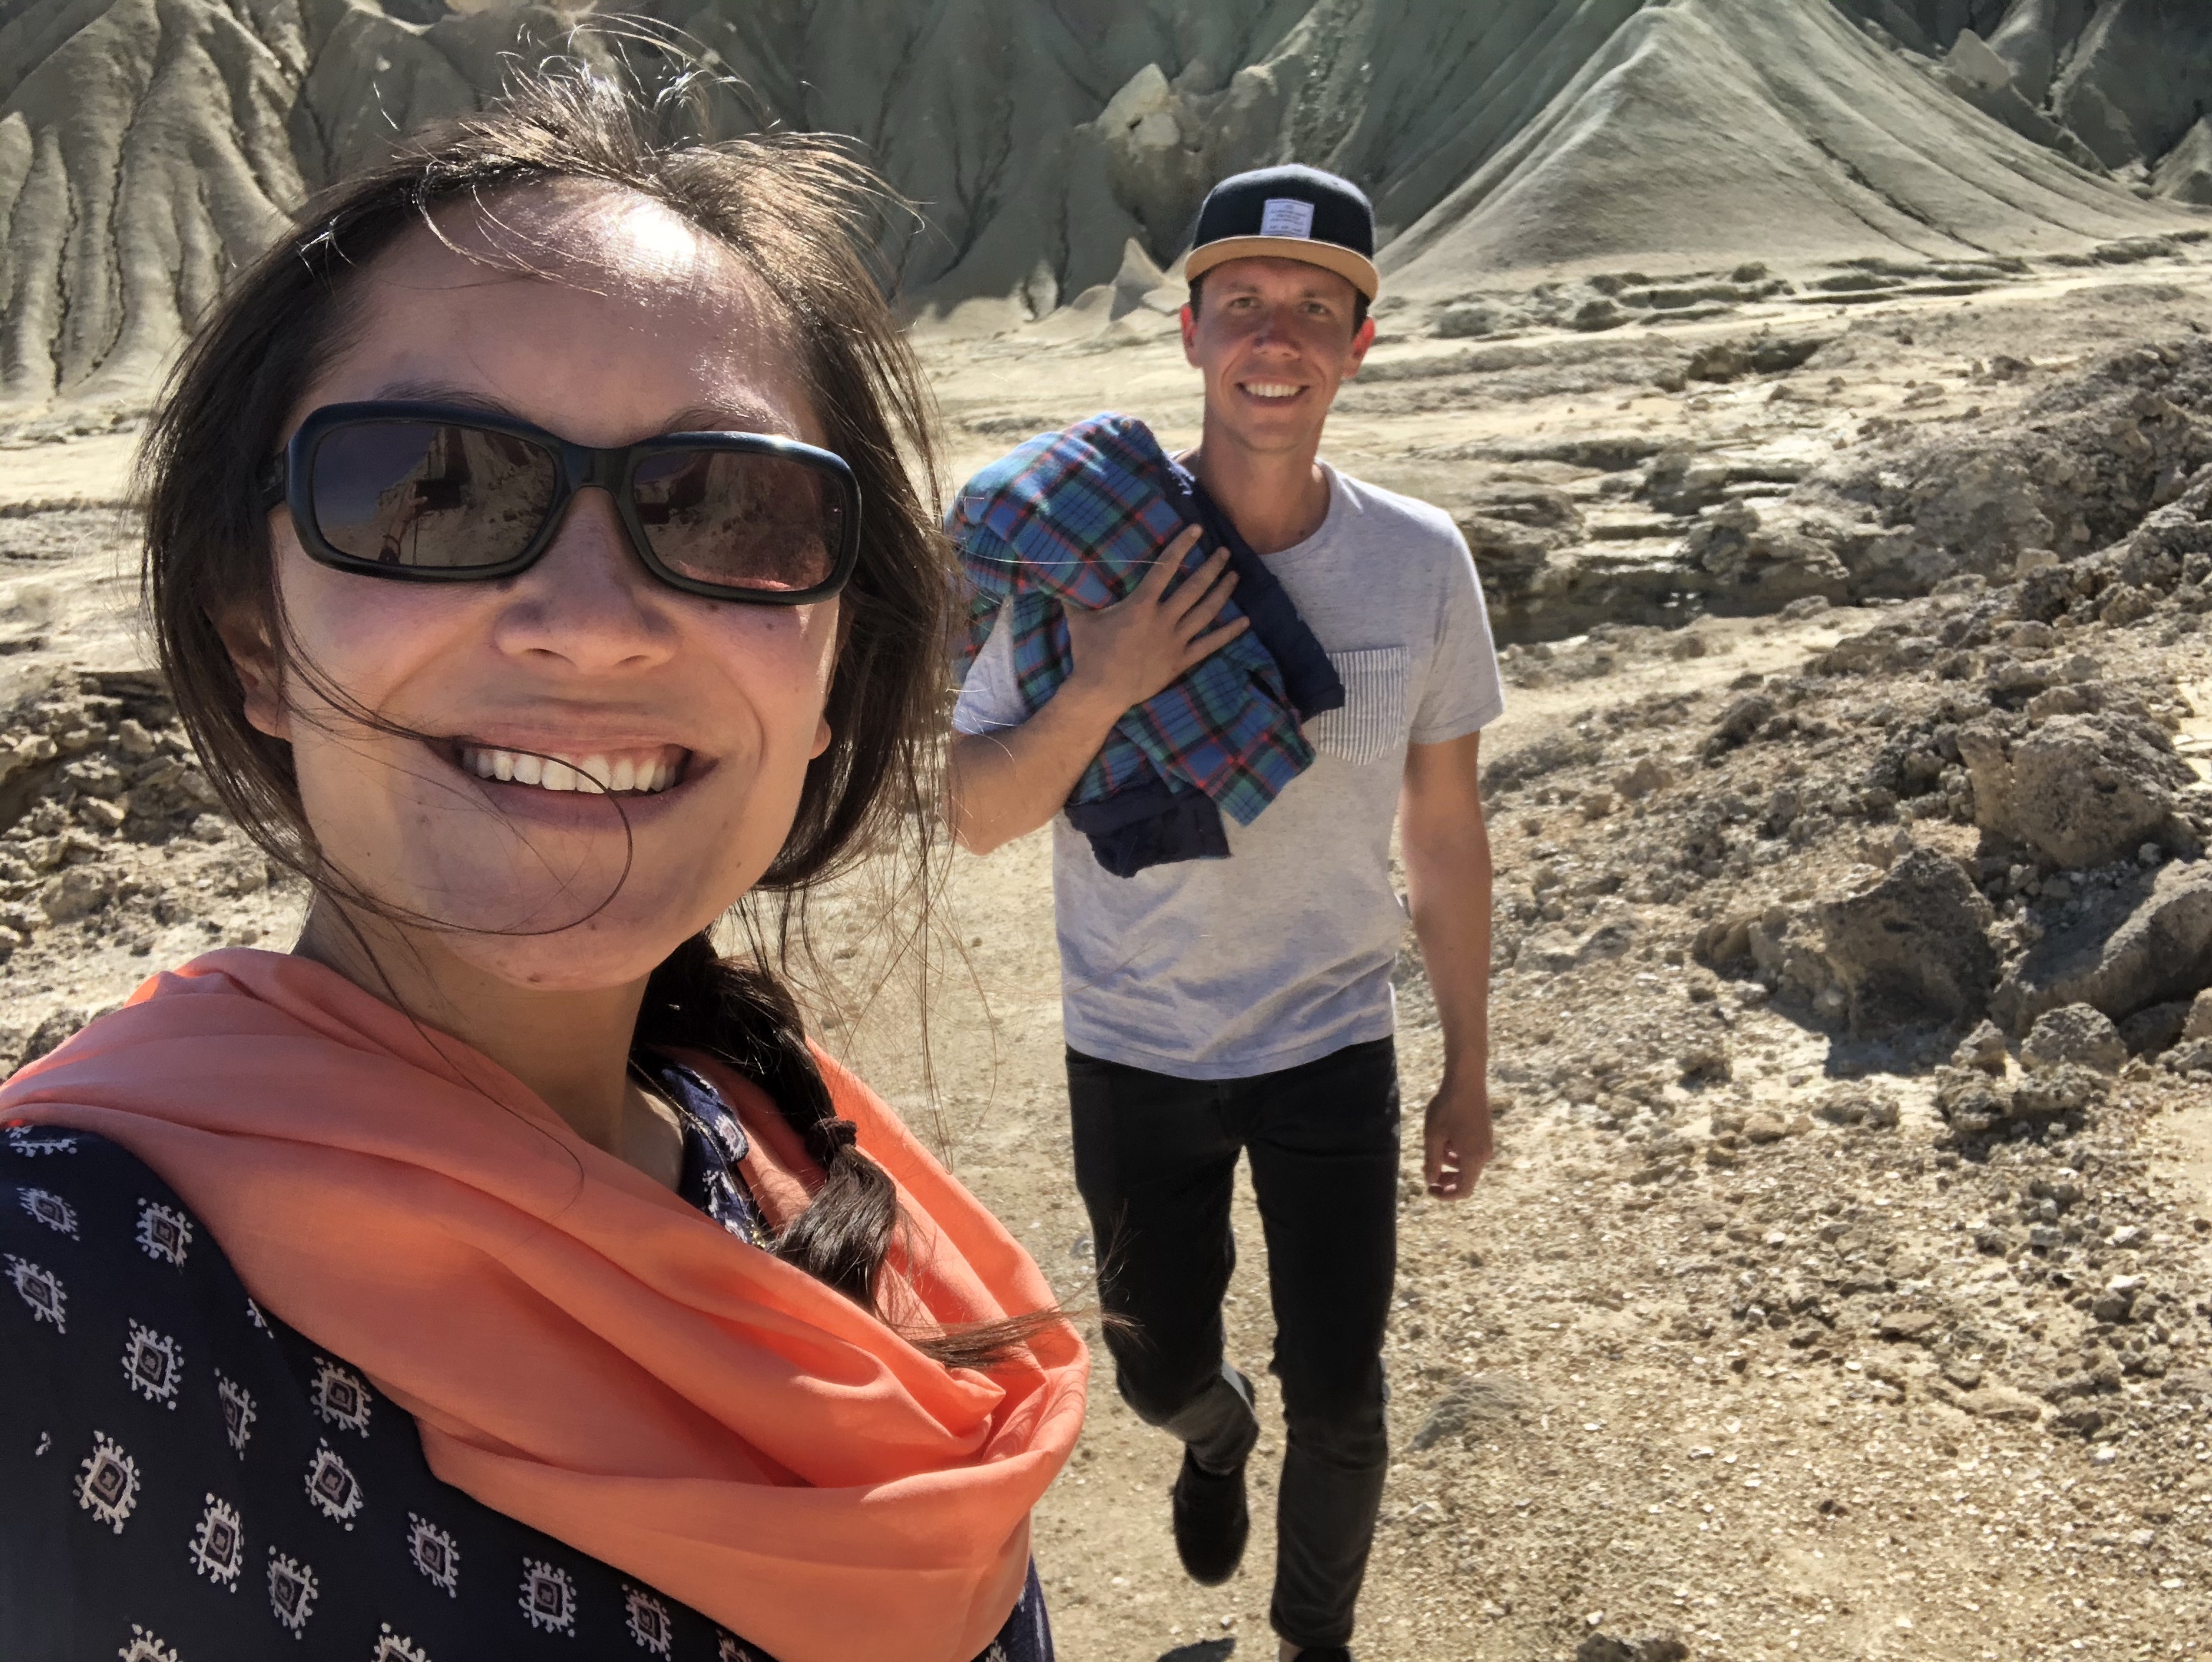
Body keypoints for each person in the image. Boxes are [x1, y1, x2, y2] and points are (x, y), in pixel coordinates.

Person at [0, 64, 1085, 1662]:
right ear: (255, 638)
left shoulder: (784, 1148)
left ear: (830, 676)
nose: (589, 623)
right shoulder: (66, 1285)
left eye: (729, 512)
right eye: (429, 490)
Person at [946, 164, 1502, 1662]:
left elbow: (1444, 830)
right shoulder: (1087, 546)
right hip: (1139, 1044)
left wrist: (1466, 1062)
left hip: (1332, 1041)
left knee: (1346, 1397)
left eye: (1315, 310)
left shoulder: (1419, 561)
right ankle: (1211, 1430)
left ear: (1357, 347)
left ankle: (1313, 1640)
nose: (1276, 338)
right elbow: (975, 808)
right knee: (1154, 1366)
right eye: (1243, 303)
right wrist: (1108, 678)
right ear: (1189, 332)